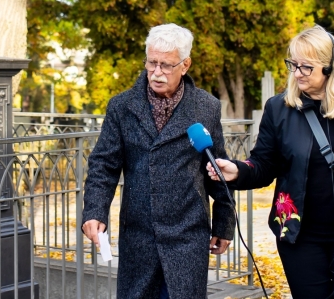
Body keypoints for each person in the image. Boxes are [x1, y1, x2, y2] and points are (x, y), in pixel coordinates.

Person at [207, 25, 334, 298]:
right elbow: (264, 164)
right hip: (299, 237)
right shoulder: (279, 109)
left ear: (329, 67)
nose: (297, 73)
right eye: (293, 64)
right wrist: (237, 171)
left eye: (306, 67)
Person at [82, 23, 236, 299]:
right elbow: (103, 165)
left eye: (166, 65)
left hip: (187, 236)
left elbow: (217, 166)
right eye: (151, 63)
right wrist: (94, 211)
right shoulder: (122, 106)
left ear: (185, 65)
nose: (156, 72)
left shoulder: (206, 107)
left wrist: (224, 223)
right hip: (139, 236)